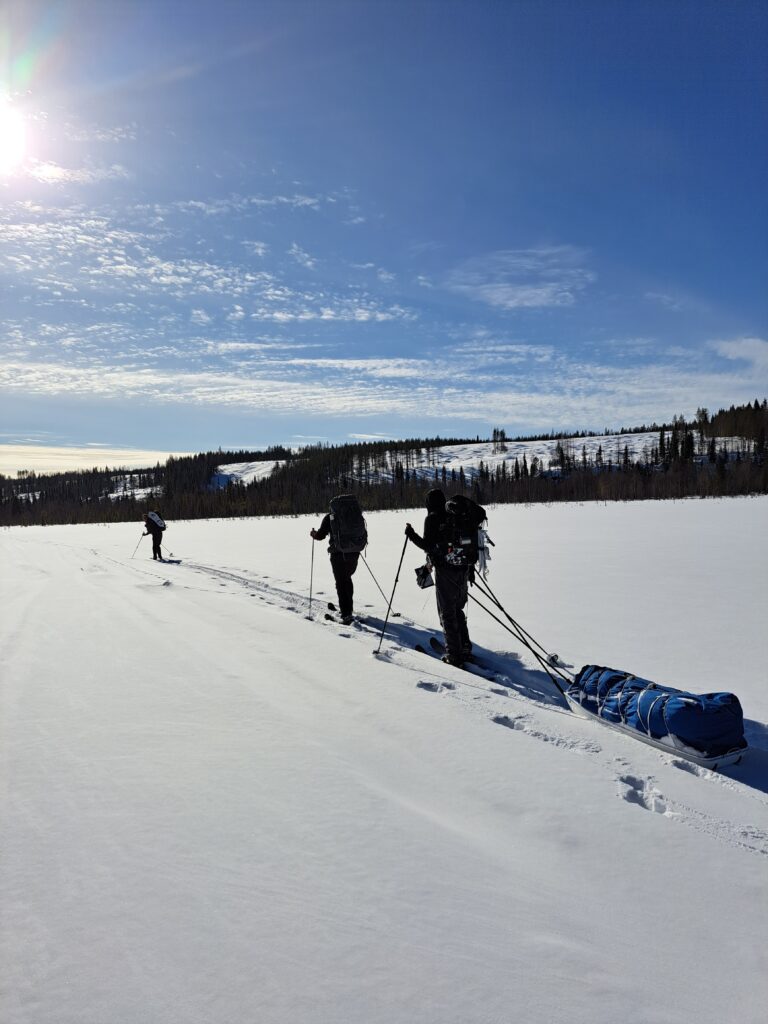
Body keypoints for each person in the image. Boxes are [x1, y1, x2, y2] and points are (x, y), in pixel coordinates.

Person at [405, 488, 472, 667]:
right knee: (457, 609)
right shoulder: (454, 515)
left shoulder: (432, 518)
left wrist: (411, 535)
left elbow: (427, 545)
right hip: (463, 568)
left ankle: (454, 655)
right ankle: (464, 646)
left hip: (446, 571)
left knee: (447, 612)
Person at [310, 498, 365, 624]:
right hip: (354, 552)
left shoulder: (330, 517)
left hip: (338, 554)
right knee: (347, 578)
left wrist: (313, 534)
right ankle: (348, 609)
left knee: (341, 582)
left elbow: (320, 536)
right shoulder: (354, 515)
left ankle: (346, 614)